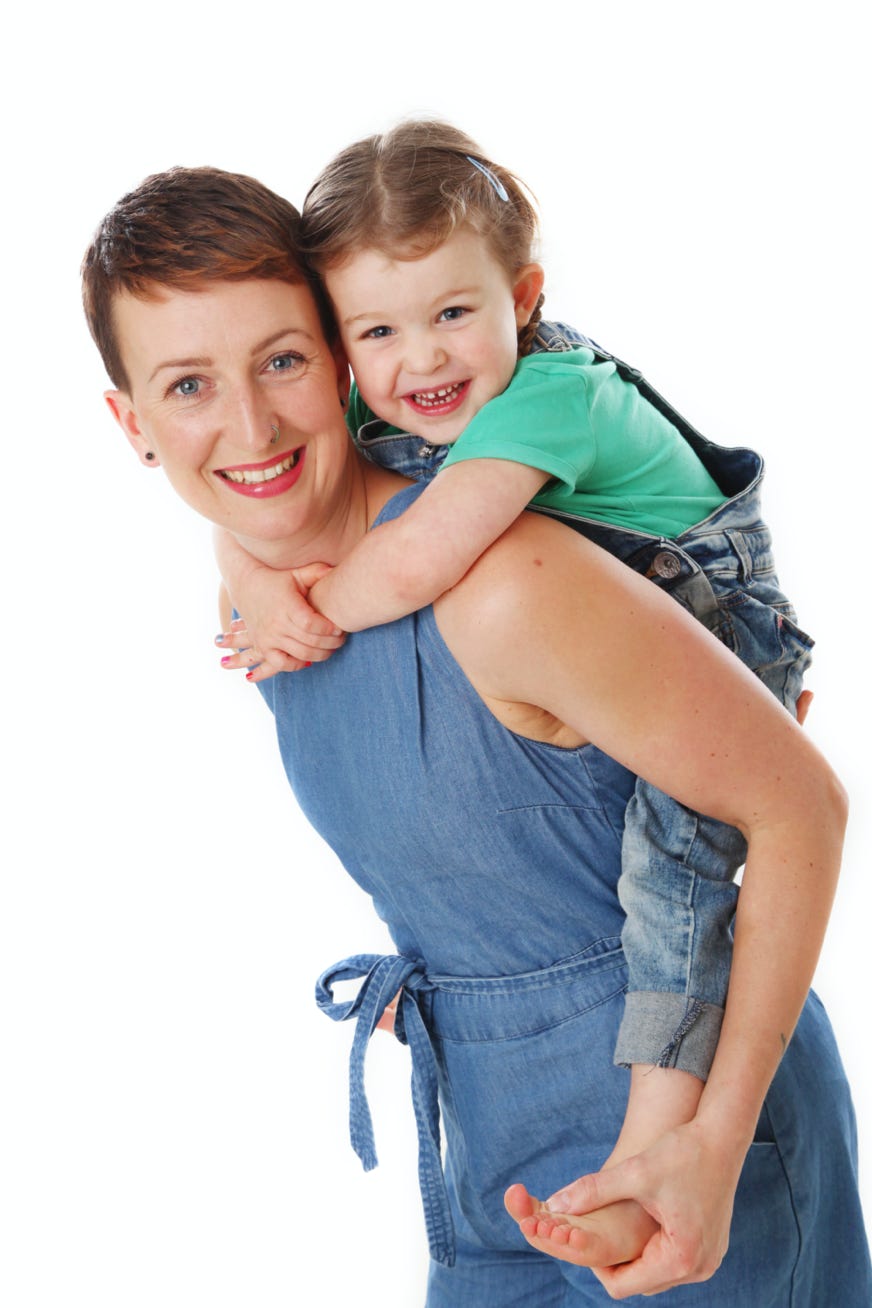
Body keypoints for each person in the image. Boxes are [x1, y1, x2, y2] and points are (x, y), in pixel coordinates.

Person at [81, 165, 871, 1304]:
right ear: (133, 424)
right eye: (189, 385)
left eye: (283, 360)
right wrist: (461, 982)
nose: (249, 424)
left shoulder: (497, 582)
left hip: (700, 1153)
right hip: (490, 1162)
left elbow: (800, 805)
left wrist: (711, 1138)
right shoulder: (272, 608)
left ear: (338, 359)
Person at [214, 120, 811, 1102]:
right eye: (377, 333)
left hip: (716, 619)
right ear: (338, 345)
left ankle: (669, 1128)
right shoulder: (388, 402)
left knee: (673, 872)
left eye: (452, 312)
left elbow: (415, 558)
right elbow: (261, 504)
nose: (419, 360)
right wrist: (248, 573)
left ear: (522, 298)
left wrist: (305, 604)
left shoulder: (547, 396)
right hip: (610, 634)